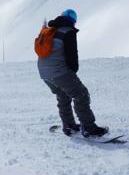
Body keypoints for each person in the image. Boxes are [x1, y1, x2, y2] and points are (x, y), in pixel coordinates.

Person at [37, 9, 108, 137]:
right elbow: (72, 57)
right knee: (81, 95)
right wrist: (72, 73)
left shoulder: (51, 30)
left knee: (63, 96)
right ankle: (89, 128)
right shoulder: (68, 32)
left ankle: (68, 125)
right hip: (59, 72)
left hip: (44, 73)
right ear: (72, 21)